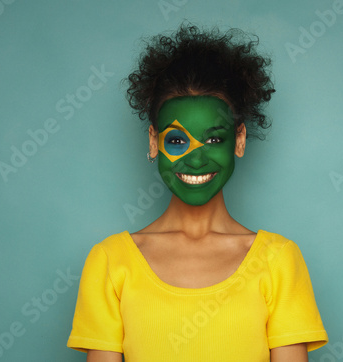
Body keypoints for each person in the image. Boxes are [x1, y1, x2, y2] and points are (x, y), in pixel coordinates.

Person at [67, 22, 328, 362]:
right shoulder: (109, 261)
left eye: (214, 139)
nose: (196, 159)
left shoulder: (278, 260)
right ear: (153, 142)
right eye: (177, 140)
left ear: (239, 140)